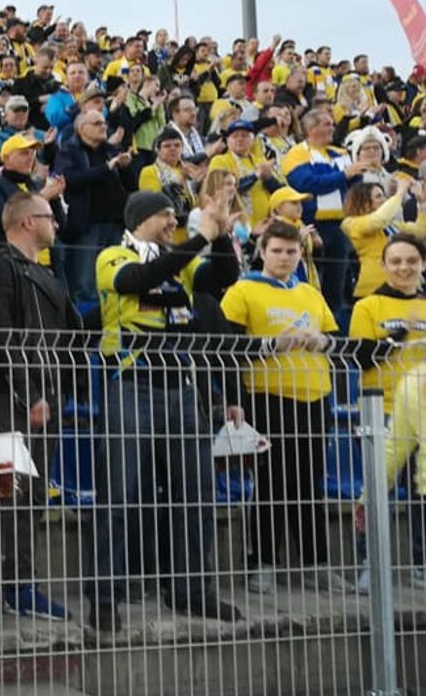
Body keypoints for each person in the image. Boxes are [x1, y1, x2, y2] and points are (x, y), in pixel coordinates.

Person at [89, 190, 243, 632]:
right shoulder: (113, 255)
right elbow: (137, 280)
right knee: (119, 495)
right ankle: (106, 596)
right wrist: (199, 238)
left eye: (176, 215)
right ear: (141, 218)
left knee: (197, 493)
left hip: (182, 389)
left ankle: (193, 591)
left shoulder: (182, 261)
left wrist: (220, 234)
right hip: (131, 384)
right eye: (165, 215)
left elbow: (223, 276)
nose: (173, 222)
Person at [0, 191, 82, 626]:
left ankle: (21, 585)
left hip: (46, 398)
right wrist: (28, 394)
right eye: (49, 215)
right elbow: (0, 338)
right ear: (28, 222)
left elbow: (66, 334)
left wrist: (58, 391)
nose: (57, 223)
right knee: (1, 493)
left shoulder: (45, 271)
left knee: (32, 496)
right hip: (9, 399)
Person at [220, 220, 349, 594]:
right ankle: (262, 562)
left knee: (310, 482)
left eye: (292, 251)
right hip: (266, 395)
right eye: (276, 250)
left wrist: (322, 342)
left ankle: (315, 563)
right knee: (271, 483)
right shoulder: (242, 290)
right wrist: (272, 345)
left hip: (315, 395)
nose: (285, 257)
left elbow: (334, 339)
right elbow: (225, 348)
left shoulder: (309, 292)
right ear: (262, 251)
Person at [351, 233, 426, 591]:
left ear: (423, 264)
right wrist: (397, 337)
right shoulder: (368, 306)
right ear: (383, 265)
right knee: (377, 489)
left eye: (411, 260)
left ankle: (421, 565)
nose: (404, 268)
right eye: (395, 261)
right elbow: (361, 358)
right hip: (379, 410)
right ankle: (371, 564)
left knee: (422, 492)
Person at [281, 108, 380, 308]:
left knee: (337, 281)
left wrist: (356, 174)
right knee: (315, 278)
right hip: (313, 225)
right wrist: (343, 175)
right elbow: (306, 183)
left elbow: (353, 186)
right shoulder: (297, 153)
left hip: (339, 226)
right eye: (327, 124)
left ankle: (335, 319)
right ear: (311, 129)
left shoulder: (340, 153)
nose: (332, 128)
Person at [52, 110, 133, 303]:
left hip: (115, 223)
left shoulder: (112, 150)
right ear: (82, 128)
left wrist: (126, 168)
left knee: (110, 278)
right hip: (87, 224)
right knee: (84, 283)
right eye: (97, 123)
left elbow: (131, 185)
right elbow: (70, 180)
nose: (103, 127)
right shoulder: (69, 151)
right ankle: (84, 320)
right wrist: (106, 168)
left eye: (104, 123)